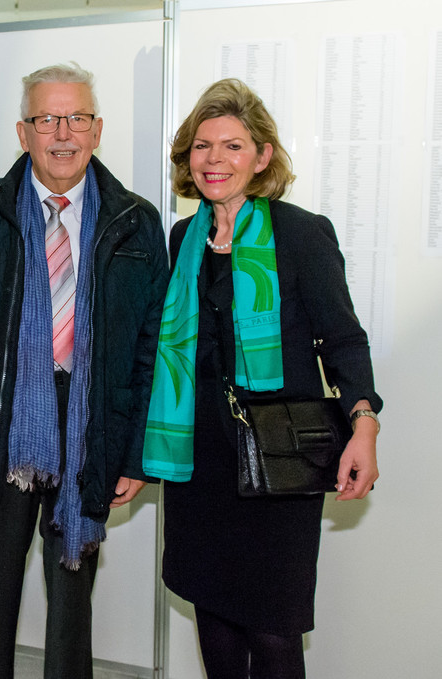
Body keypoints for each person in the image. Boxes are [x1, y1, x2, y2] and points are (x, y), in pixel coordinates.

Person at [0, 63, 169, 679]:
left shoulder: (135, 222)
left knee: (73, 603)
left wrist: (137, 455)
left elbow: (151, 350)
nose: (63, 133)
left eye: (77, 118)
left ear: (97, 130)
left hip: (91, 431)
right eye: (47, 118)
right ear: (23, 132)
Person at [144, 78, 381, 678]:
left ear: (262, 156)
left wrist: (364, 425)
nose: (215, 160)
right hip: (200, 459)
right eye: (203, 146)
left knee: (274, 629)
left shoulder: (301, 233)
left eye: (233, 146)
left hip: (280, 459)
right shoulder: (184, 238)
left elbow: (342, 338)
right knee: (214, 615)